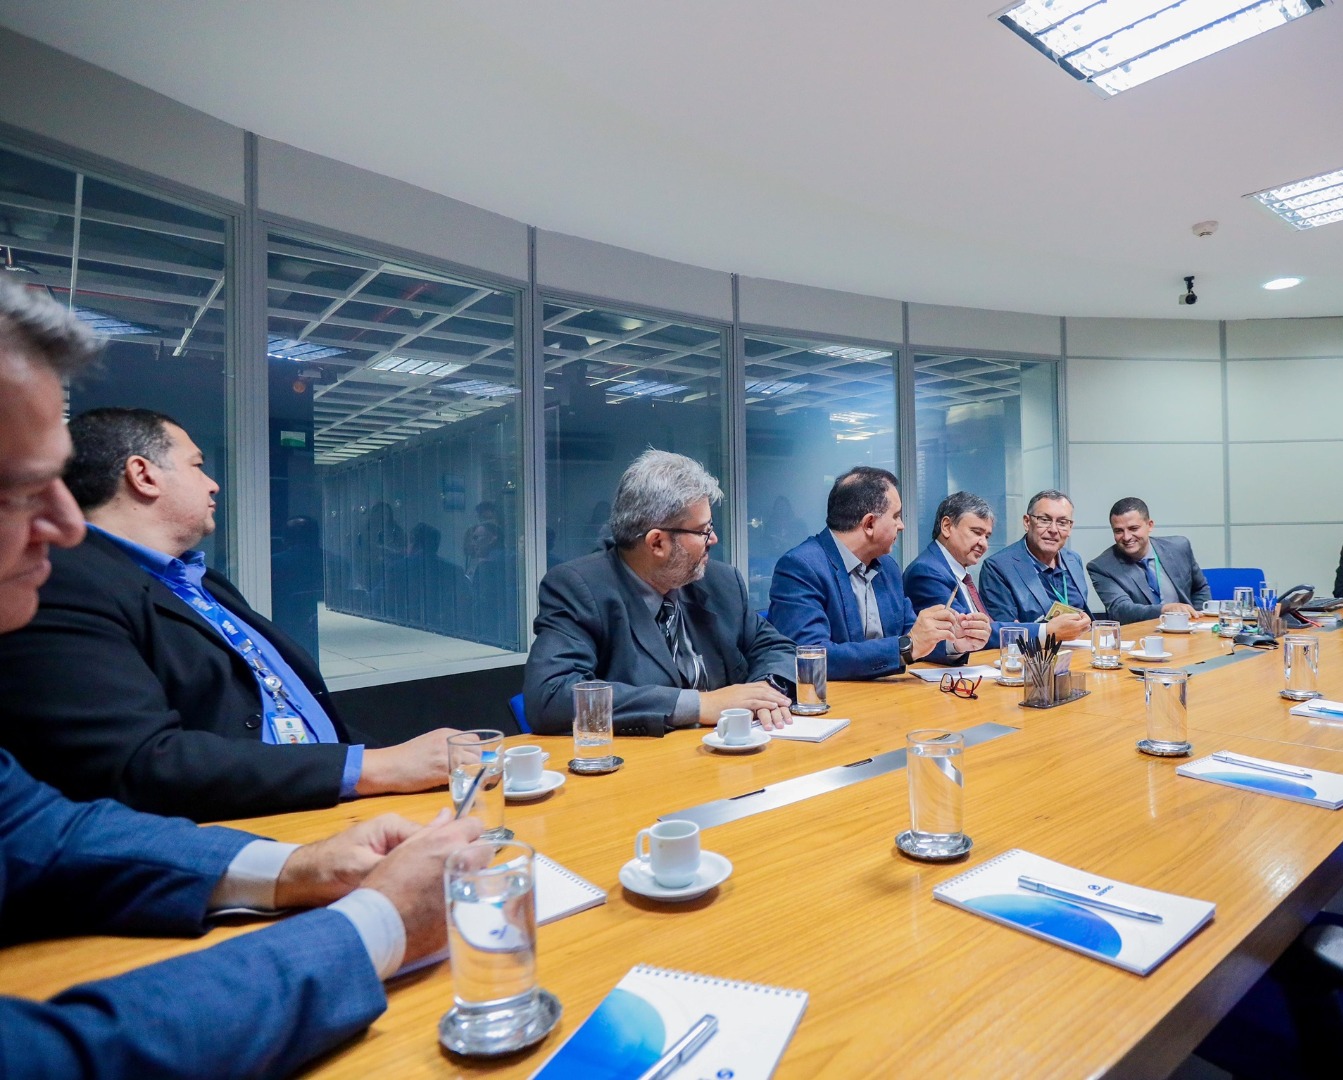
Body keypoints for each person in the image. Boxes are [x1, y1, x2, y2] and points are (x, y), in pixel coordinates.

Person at [0, 276, 484, 1079]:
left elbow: (45, 836)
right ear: (144, 475)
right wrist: (373, 924)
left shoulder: (198, 579)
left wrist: (298, 869)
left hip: (309, 834)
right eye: (19, 488)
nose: (61, 524)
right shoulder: (71, 583)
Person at [0, 407, 457, 822]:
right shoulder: (61, 583)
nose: (213, 484)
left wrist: (405, 762)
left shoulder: (204, 582)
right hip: (248, 829)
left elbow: (285, 703)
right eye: (197, 465)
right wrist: (376, 768)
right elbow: (139, 762)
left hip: (328, 801)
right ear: (144, 475)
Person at [525, 449, 797, 736]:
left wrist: (765, 692)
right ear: (657, 543)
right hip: (645, 758)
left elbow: (777, 649)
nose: (713, 539)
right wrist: (699, 705)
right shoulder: (579, 588)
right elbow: (551, 695)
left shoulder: (721, 582)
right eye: (703, 530)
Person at [769, 466, 988, 680]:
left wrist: (954, 642)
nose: (901, 525)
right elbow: (811, 656)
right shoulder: (801, 567)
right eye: (896, 516)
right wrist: (907, 647)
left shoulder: (888, 567)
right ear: (869, 523)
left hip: (886, 696)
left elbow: (913, 635)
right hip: (835, 699)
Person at [905, 490, 1091, 650]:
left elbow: (985, 627)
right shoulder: (928, 571)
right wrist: (1047, 630)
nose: (983, 544)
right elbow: (968, 632)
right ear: (947, 527)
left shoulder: (956, 570)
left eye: (987, 536)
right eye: (976, 533)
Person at [977, 489, 1096, 638]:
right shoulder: (998, 567)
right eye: (1044, 520)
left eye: (1062, 522)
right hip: (1034, 651)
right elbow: (1007, 632)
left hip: (1079, 646)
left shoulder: (1073, 560)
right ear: (1027, 522)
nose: (1053, 530)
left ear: (1070, 528)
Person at [1086, 497, 1211, 624]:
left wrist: (1197, 621)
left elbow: (1200, 588)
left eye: (1133, 528)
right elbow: (1121, 610)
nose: (1126, 537)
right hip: (1140, 633)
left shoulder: (1178, 547)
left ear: (1150, 525)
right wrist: (1164, 610)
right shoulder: (1102, 567)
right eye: (1118, 531)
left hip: (1186, 629)